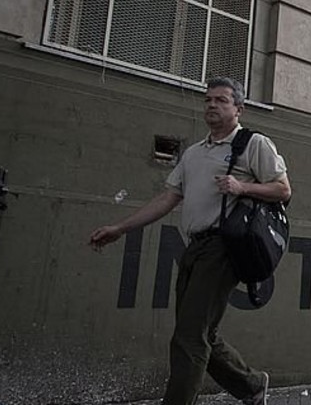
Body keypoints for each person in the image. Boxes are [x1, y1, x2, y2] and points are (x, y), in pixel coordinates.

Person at [90, 76, 291, 405]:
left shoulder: (253, 144)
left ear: (238, 109)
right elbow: (167, 199)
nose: (212, 104)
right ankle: (251, 385)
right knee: (201, 332)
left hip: (225, 248)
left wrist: (242, 188)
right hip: (195, 247)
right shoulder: (194, 154)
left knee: (188, 337)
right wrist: (120, 228)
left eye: (221, 100)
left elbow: (283, 189)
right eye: (208, 99)